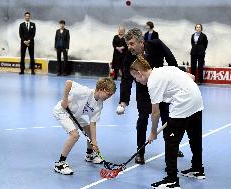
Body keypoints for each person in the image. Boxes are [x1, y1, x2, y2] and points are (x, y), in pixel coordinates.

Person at [130, 55, 205, 189]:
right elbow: (191, 77)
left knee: (170, 140)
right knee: (194, 136)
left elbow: (155, 113)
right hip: (197, 98)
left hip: (184, 101)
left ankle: (171, 179)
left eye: (135, 77)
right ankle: (197, 169)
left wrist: (153, 132)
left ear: (139, 73)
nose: (136, 80)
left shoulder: (152, 82)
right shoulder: (163, 69)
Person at [116, 28, 184, 166]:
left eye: (131, 44)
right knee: (142, 120)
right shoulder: (129, 57)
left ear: (141, 42)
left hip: (162, 88)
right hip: (143, 91)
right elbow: (126, 80)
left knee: (167, 118)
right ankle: (140, 152)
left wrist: (177, 79)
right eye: (128, 44)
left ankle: (172, 148)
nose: (129, 47)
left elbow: (171, 60)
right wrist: (123, 101)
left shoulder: (156, 44)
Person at [53, 78, 116, 175]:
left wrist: (94, 143)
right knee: (74, 135)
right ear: (101, 89)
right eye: (109, 94)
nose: (109, 97)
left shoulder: (99, 105)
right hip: (62, 111)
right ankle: (60, 163)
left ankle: (90, 154)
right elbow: (68, 83)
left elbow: (93, 123)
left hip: (74, 115)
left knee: (89, 130)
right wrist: (65, 99)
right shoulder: (85, 92)